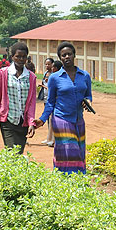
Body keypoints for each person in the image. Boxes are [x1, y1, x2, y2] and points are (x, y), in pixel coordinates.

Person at [34, 42, 92, 174]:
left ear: (74, 55)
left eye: (69, 54)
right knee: (69, 150)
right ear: (60, 58)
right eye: (63, 55)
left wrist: (88, 101)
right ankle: (64, 179)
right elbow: (50, 102)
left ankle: (79, 181)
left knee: (79, 150)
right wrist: (42, 119)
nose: (67, 57)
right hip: (61, 119)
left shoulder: (85, 76)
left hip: (78, 119)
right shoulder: (55, 78)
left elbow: (88, 95)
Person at [0, 42, 37, 154]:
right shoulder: (3, 74)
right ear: (12, 57)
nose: (21, 59)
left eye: (23, 57)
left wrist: (31, 123)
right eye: (18, 56)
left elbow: (31, 104)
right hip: (7, 121)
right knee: (12, 153)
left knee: (18, 154)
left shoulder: (31, 77)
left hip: (23, 123)